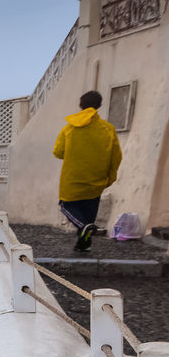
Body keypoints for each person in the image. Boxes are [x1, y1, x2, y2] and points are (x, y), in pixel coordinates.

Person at [53, 90, 122, 251]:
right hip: (96, 181)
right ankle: (83, 244)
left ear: (80, 105)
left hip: (72, 180)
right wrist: (110, 178)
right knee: (88, 213)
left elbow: (58, 152)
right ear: (99, 106)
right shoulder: (108, 129)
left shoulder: (69, 129)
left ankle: (83, 227)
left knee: (67, 206)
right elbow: (116, 156)